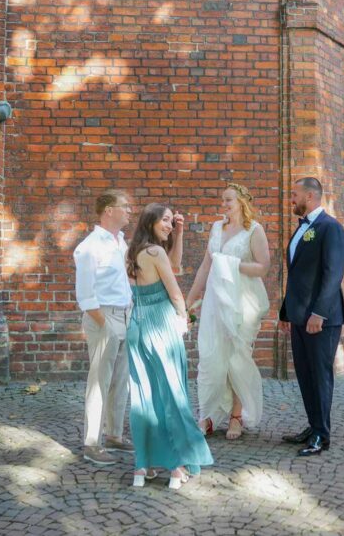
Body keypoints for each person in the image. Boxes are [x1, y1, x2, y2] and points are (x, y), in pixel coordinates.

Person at [125, 203, 213, 489]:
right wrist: (183, 318)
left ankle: (142, 467)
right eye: (165, 221)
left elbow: (173, 265)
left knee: (144, 398)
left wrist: (181, 233)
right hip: (161, 325)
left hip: (137, 326)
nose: (169, 226)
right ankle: (176, 467)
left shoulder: (134, 251)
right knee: (173, 395)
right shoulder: (155, 252)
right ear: (150, 222)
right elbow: (175, 291)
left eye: (170, 222)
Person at [186, 183, 270, 440]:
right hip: (215, 302)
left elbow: (262, 267)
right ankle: (208, 415)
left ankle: (236, 416)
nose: (224, 205)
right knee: (211, 358)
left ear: (241, 202)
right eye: (222, 200)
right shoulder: (216, 228)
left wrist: (231, 265)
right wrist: (189, 300)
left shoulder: (254, 230)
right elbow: (205, 267)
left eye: (228, 200)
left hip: (243, 302)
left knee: (236, 358)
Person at [279, 177, 344, 457]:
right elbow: (296, 276)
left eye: (295, 194)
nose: (291, 199)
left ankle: (322, 434)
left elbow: (333, 275)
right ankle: (313, 425)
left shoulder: (330, 228)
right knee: (305, 375)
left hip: (322, 318)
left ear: (310, 195)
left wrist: (318, 312)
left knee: (320, 376)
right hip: (299, 316)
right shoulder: (302, 229)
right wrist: (288, 314)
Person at [73, 191, 135, 466]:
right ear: (109, 210)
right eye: (125, 207)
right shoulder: (89, 247)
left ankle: (114, 435)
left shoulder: (121, 242)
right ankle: (91, 442)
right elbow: (85, 294)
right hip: (104, 318)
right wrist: (104, 323)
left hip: (125, 315)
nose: (130, 211)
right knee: (99, 382)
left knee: (121, 381)